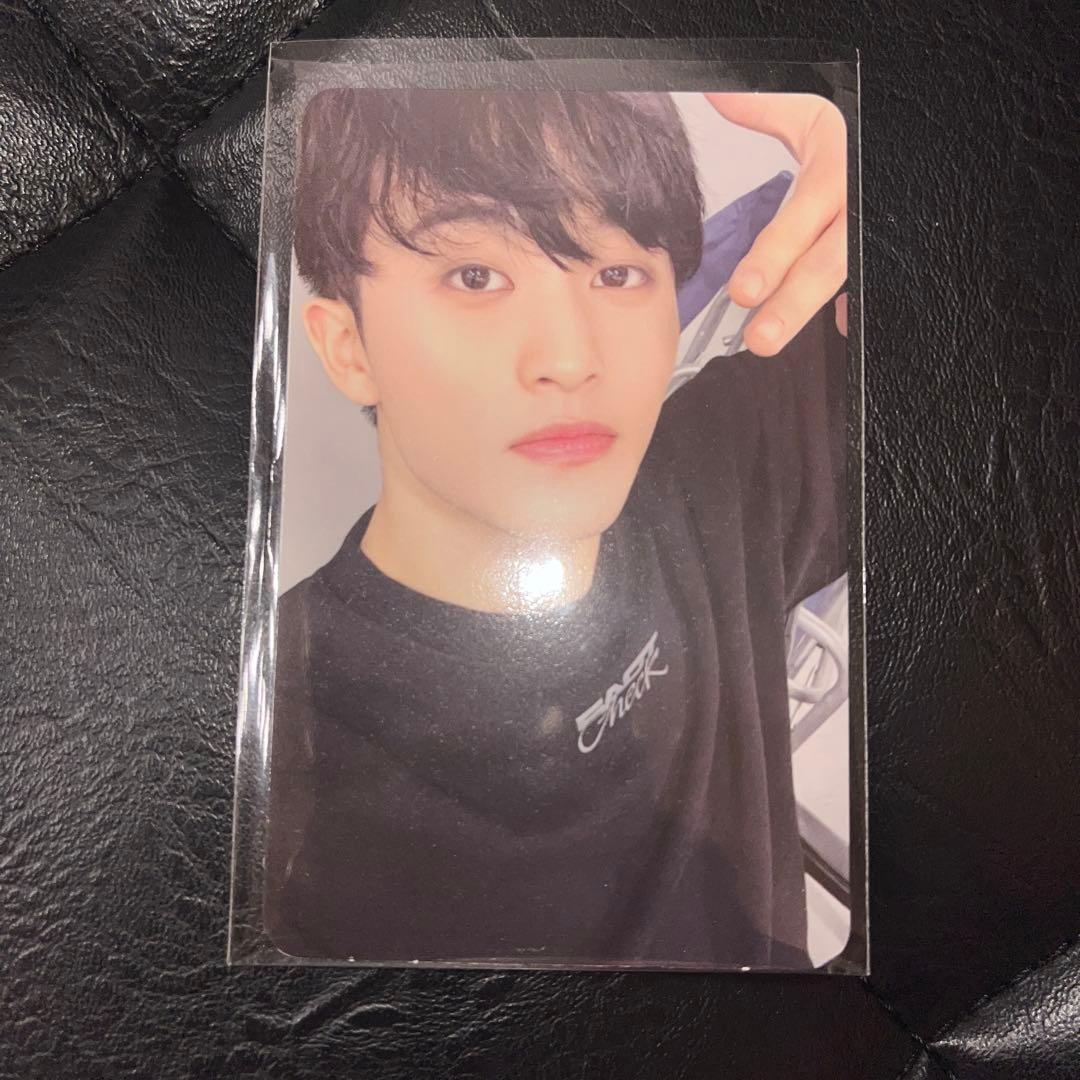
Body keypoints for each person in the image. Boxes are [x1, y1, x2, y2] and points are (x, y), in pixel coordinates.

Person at [266, 87, 848, 968]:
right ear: (348, 347)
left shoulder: (717, 472)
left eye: (618, 275)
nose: (571, 359)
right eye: (476, 277)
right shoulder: (272, 740)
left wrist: (919, 186)